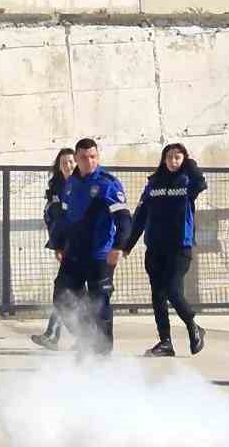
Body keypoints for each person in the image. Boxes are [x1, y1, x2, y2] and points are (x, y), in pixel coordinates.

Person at [126, 143, 207, 357]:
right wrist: (127, 245)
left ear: (184, 160)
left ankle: (193, 326)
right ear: (163, 159)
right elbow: (141, 216)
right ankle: (165, 342)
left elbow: (201, 183)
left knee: (173, 291)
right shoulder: (153, 184)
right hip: (155, 248)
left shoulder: (188, 182)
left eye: (178, 157)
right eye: (169, 157)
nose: (173, 161)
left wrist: (190, 164)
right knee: (158, 296)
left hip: (179, 247)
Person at [51, 138, 131, 352]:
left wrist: (118, 247)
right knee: (62, 297)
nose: (89, 161)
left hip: (99, 256)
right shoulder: (71, 184)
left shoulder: (107, 183)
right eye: (84, 158)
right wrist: (58, 244)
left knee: (100, 305)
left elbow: (124, 218)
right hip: (74, 254)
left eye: (93, 157)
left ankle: (103, 353)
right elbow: (65, 217)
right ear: (76, 158)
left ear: (98, 157)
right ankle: (87, 338)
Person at [31, 147, 75, 352]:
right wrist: (57, 245)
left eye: (71, 162)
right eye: (64, 162)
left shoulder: (81, 185)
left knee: (66, 293)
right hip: (65, 246)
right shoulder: (56, 188)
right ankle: (54, 335)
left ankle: (80, 336)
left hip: (81, 247)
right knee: (63, 292)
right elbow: (53, 218)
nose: (68, 166)